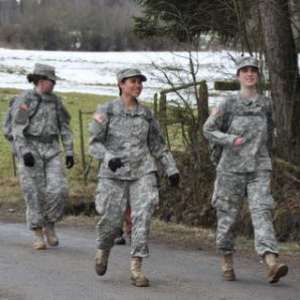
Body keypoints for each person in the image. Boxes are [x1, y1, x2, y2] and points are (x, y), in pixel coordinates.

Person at [89, 68, 179, 287]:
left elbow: (157, 144)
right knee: (111, 220)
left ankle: (136, 269)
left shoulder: (146, 114)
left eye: (140, 82)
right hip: (113, 174)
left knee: (143, 216)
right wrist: (108, 157)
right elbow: (94, 143)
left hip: (142, 172)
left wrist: (171, 168)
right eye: (133, 81)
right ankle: (103, 249)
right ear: (121, 83)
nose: (137, 85)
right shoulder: (106, 111)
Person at [203, 56, 288, 284]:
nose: (250, 74)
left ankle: (271, 262)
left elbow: (270, 135)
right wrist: (230, 139)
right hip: (230, 169)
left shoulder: (266, 104)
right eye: (245, 71)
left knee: (262, 212)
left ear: (257, 76)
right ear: (238, 76)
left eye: (253, 71)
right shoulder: (228, 104)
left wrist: (268, 159)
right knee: (228, 218)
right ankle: (227, 260)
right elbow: (208, 130)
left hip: (259, 168)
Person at [10, 63, 74, 250]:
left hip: (52, 149)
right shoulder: (25, 100)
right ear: (40, 81)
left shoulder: (55, 101)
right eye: (50, 81)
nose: (53, 85)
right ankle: (38, 233)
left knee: (59, 189)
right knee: (34, 192)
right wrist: (24, 151)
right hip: (31, 149)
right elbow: (17, 128)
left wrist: (69, 151)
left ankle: (50, 225)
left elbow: (65, 127)